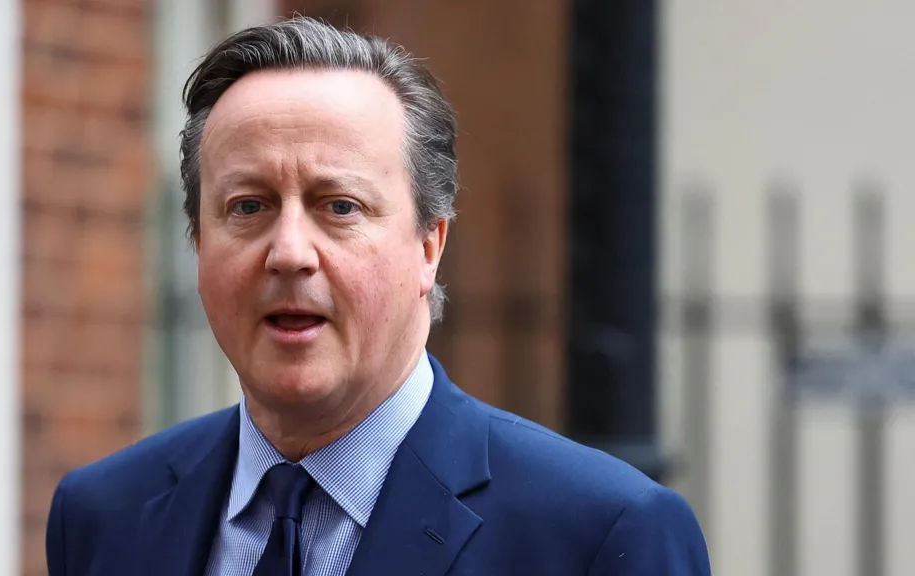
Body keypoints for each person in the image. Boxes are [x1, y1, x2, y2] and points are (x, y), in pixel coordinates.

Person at [46, 16, 709, 576]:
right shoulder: (103, 518)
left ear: (428, 245)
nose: (289, 252)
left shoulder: (600, 534)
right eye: (248, 206)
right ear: (198, 242)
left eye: (340, 206)